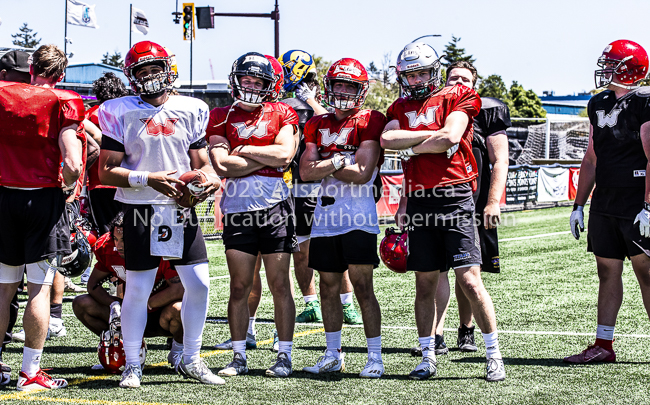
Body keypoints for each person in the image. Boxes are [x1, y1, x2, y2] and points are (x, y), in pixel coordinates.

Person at [98, 40, 222, 388]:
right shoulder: (117, 110)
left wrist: (205, 185)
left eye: (156, 69)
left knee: (198, 286)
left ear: (169, 69)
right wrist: (149, 179)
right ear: (132, 77)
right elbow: (106, 172)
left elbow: (202, 165)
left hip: (179, 210)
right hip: (139, 208)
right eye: (143, 71)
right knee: (137, 288)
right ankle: (133, 364)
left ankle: (191, 358)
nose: (152, 76)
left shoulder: (192, 108)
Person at [381, 41, 505, 382]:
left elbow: (450, 136)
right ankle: (426, 356)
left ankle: (493, 353)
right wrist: (426, 143)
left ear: (434, 72)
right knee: (424, 283)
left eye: (423, 72)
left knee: (469, 279)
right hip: (420, 198)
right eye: (412, 74)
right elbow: (387, 141)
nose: (419, 79)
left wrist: (413, 147)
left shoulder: (457, 95)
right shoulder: (398, 106)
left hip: (455, 195)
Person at [207, 52, 298, 378]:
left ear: (269, 85)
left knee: (279, 285)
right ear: (236, 80)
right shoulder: (220, 114)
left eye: (257, 81)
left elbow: (285, 154)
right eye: (245, 79)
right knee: (239, 285)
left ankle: (284, 356)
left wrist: (243, 150)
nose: (250, 85)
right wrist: (265, 157)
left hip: (274, 207)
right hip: (237, 210)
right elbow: (222, 164)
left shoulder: (283, 111)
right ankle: (239, 355)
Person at [411, 61, 510, 356]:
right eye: (453, 78)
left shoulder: (486, 110)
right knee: (435, 270)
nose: (458, 83)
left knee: (467, 272)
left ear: (474, 84)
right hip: (433, 198)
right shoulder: (434, 107)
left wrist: (493, 201)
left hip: (473, 200)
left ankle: (466, 329)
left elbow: (499, 160)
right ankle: (435, 334)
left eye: (464, 79)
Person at [0, 44, 84, 390]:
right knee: (39, 287)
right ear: (60, 74)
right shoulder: (64, 100)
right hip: (41, 201)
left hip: (3, 196)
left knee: (3, 289)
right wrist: (66, 188)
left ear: (31, 67)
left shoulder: (3, 93)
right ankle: (29, 372)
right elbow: (75, 162)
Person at [299, 58, 386, 377]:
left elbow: (363, 173)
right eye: (338, 84)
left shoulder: (371, 119)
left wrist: (327, 162)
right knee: (327, 286)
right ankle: (332, 353)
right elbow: (305, 171)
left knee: (363, 287)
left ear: (360, 90)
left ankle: (375, 356)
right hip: (325, 217)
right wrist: (339, 159)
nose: (344, 91)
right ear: (329, 87)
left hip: (358, 215)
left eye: (350, 85)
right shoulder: (316, 124)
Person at [566, 40, 650, 364]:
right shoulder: (597, 103)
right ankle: (604, 344)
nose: (605, 70)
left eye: (611, 64)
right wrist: (578, 204)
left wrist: (648, 205)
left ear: (629, 68)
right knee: (606, 270)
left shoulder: (644, 101)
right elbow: (591, 158)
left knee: (646, 271)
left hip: (636, 198)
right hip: (606, 198)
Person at [279, 50, 363, 326]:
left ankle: (346, 304)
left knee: (335, 246)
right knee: (301, 248)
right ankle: (311, 302)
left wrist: (312, 102)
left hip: (327, 184)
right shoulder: (286, 102)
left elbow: (336, 126)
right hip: (297, 185)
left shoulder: (322, 99)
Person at [72, 212, 185, 369]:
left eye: (124, 240)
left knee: (179, 309)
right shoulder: (107, 247)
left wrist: (146, 304)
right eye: (116, 239)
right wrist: (114, 304)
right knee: (81, 303)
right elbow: (92, 285)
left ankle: (178, 351)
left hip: (158, 314)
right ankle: (121, 346)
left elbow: (179, 289)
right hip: (126, 313)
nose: (118, 245)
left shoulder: (158, 247)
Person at [0, 50, 31, 375]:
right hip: (30, 199)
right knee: (11, 286)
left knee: (7, 287)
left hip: (7, 198)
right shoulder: (46, 101)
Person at [86, 72, 130, 234]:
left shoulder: (90, 115)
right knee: (129, 230)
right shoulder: (128, 114)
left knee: (106, 234)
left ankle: (109, 260)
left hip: (99, 183)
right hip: (127, 180)